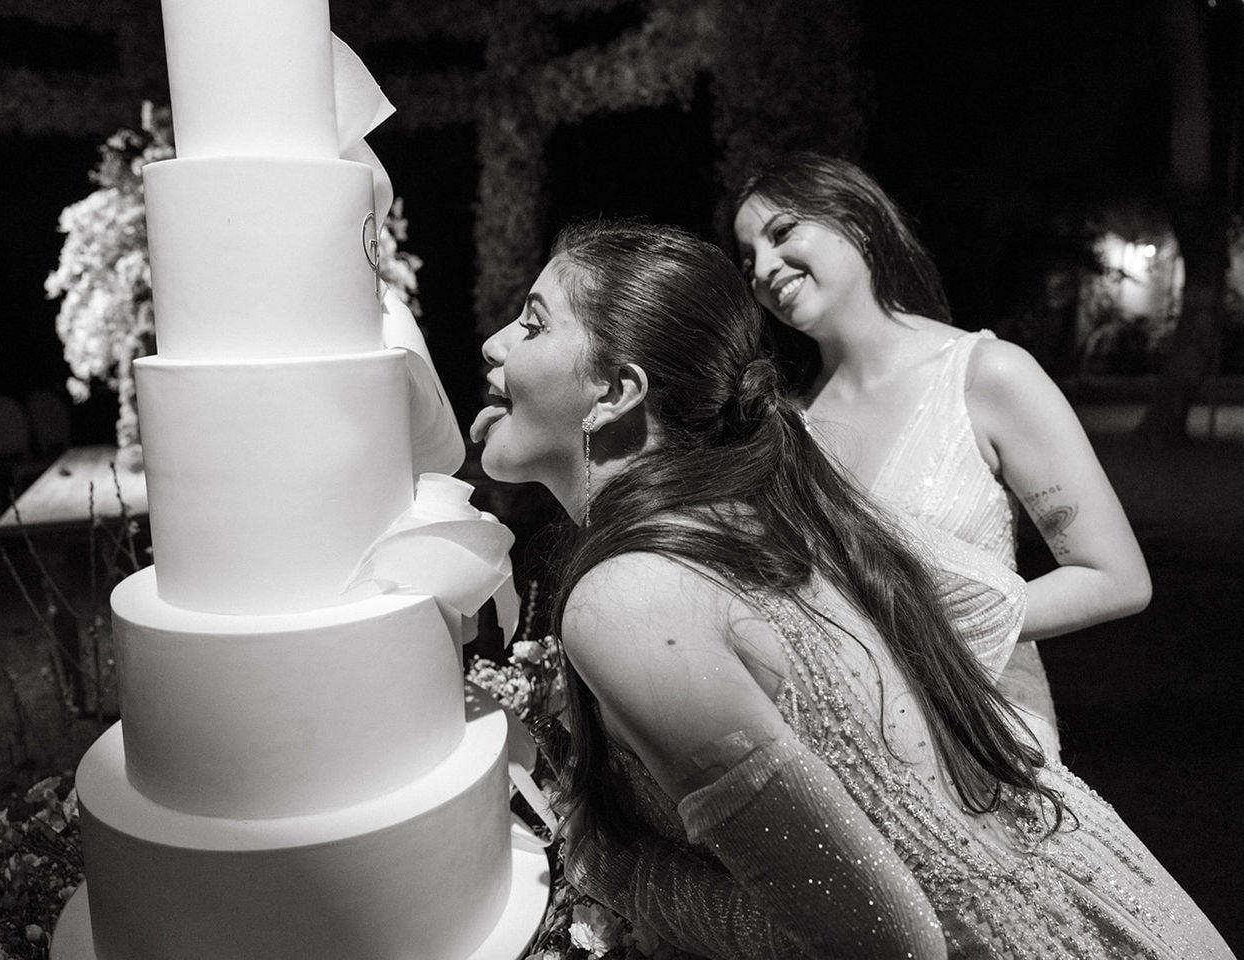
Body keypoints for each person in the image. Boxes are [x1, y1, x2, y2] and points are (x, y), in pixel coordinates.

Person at [470, 219, 1232, 958]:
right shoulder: (773, 503)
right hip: (1115, 896)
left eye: (532, 325)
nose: (492, 344)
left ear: (614, 392)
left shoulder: (629, 602)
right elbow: (976, 607)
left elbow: (887, 943)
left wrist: (626, 875)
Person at [727, 152, 1153, 762]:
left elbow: (1115, 579)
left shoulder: (986, 375)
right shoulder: (791, 426)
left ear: (859, 222)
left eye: (782, 232)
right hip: (851, 755)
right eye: (749, 261)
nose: (765, 268)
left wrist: (926, 632)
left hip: (983, 739)